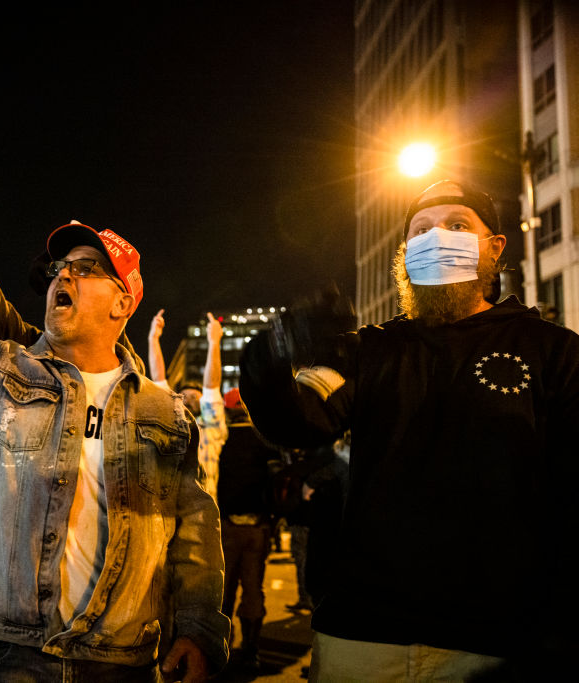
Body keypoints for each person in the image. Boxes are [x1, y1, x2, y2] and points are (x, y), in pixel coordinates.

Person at [0, 162, 229, 682]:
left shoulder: (166, 416)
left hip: (122, 660)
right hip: (12, 658)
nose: (64, 274)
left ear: (123, 301)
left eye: (87, 267)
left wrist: (198, 630)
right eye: (59, 268)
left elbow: (195, 536)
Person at [240, 180, 579, 679]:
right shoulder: (366, 351)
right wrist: (274, 350)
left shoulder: (553, 351)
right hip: (364, 635)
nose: (437, 237)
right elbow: (297, 423)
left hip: (497, 639)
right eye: (422, 230)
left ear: (495, 247)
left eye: (457, 225)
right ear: (404, 256)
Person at [214, 391, 280, 673]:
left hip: (226, 527)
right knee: (253, 590)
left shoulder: (219, 441)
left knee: (224, 591)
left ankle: (221, 647)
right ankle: (251, 650)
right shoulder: (265, 441)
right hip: (257, 526)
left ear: (228, 411)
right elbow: (278, 482)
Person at [147, 309, 228, 500]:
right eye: (184, 396)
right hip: (166, 514)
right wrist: (153, 339)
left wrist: (214, 342)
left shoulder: (211, 430)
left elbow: (212, 387)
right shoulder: (169, 425)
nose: (189, 400)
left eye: (195, 397)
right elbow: (159, 381)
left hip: (201, 515)